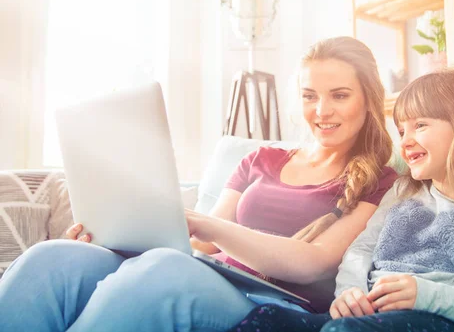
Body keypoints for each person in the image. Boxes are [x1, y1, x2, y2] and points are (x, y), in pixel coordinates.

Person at [0, 36, 398, 332]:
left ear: (368, 98)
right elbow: (197, 247)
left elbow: (312, 264)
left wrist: (201, 223)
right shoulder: (261, 159)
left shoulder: (381, 180)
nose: (322, 110)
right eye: (310, 96)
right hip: (207, 271)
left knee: (164, 270)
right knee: (52, 259)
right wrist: (114, 234)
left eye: (340, 96)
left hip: (272, 301)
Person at [226, 69, 454, 332]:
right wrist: (348, 293)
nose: (405, 142)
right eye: (401, 130)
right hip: (369, 316)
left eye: (420, 126)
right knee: (268, 319)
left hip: (440, 321)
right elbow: (361, 250)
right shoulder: (401, 192)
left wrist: (426, 295)